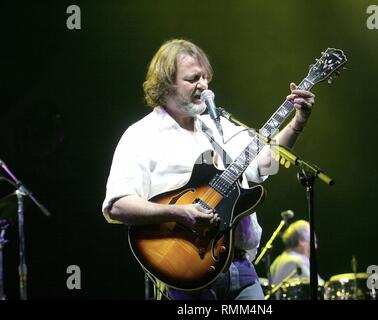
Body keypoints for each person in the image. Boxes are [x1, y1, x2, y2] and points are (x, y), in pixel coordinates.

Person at [102, 39, 316, 300]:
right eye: (193, 79)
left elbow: (266, 162)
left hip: (241, 269)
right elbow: (118, 205)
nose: (203, 85)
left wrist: (297, 123)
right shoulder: (141, 135)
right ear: (166, 83)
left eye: (205, 77)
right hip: (186, 273)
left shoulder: (219, 126)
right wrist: (178, 212)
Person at [270, 220, 324, 287]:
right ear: (301, 241)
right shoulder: (296, 261)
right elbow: (319, 288)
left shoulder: (278, 260)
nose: (315, 246)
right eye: (313, 241)